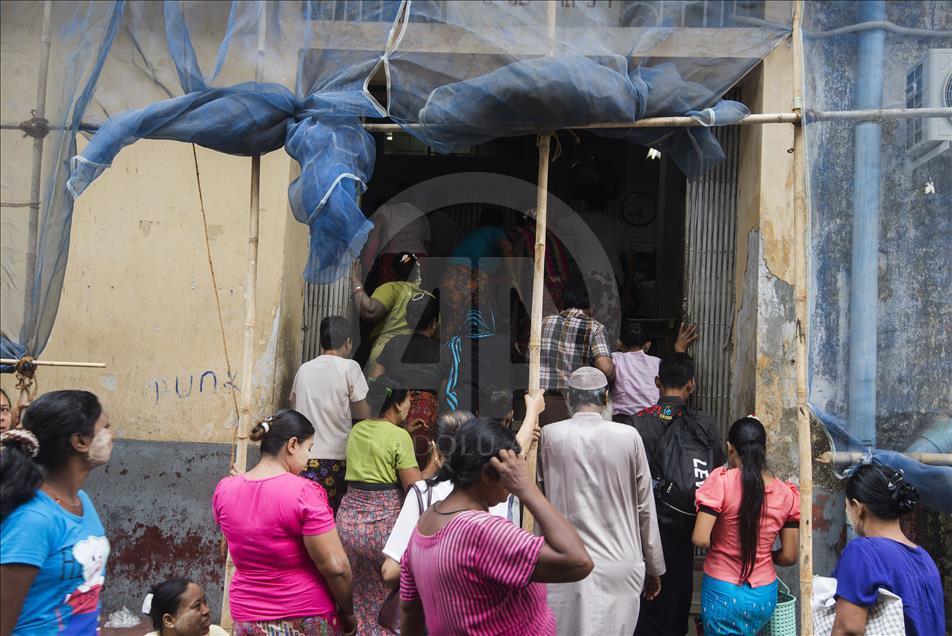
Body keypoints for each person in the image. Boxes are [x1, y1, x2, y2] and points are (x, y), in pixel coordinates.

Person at [399, 418, 593, 635]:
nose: (512, 482)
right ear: (488, 474)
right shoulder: (482, 531)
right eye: (512, 471)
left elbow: (409, 611)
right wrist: (527, 488)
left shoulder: (424, 524)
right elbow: (579, 561)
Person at [540, 367, 665, 635]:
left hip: (564, 564)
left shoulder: (550, 435)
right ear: (606, 397)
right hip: (619, 563)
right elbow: (645, 507)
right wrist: (654, 566)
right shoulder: (628, 436)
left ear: (569, 398)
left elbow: (537, 498)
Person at [213, 410, 355, 635]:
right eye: (308, 449)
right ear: (292, 444)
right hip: (304, 613)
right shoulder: (304, 494)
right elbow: (336, 568)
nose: (308, 458)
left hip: (247, 617)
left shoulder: (225, 489)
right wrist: (348, 611)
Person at [380, 396, 542, 586]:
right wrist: (532, 412)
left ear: (437, 452)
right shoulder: (495, 486)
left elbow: (390, 572)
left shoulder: (424, 492)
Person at [0, 390, 112, 634]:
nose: (110, 435)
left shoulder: (82, 501)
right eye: (105, 427)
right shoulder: (33, 520)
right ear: (80, 441)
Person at [629, 352, 725, 636]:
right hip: (685, 524)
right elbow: (717, 473)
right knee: (678, 594)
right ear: (691, 385)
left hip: (645, 524)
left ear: (657, 381)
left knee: (646, 597)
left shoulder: (637, 423)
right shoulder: (704, 424)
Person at [337, 378, 437, 635]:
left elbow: (376, 452)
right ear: (396, 404)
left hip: (348, 521)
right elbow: (415, 487)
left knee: (360, 589)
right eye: (409, 403)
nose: (410, 409)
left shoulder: (358, 430)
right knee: (387, 591)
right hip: (381, 525)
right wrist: (434, 463)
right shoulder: (399, 436)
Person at [692, 416, 800, 635]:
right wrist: (762, 554)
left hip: (723, 592)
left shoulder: (721, 482)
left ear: (730, 450)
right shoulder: (787, 494)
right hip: (763, 596)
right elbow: (789, 556)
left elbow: (700, 538)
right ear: (765, 449)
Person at [831, 464, 944, 636]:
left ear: (857, 507)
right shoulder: (925, 558)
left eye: (847, 506)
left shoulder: (863, 552)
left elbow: (848, 629)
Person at [292, 316, 371, 512]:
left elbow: (294, 406)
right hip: (337, 459)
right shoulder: (350, 368)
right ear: (348, 342)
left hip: (303, 459)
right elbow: (365, 414)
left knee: (307, 516)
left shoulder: (303, 370)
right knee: (330, 518)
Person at [370, 293, 442, 468]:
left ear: (408, 320)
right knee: (418, 465)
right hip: (425, 417)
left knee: (389, 461)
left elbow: (376, 379)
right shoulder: (442, 351)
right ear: (433, 323)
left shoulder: (393, 344)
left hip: (393, 410)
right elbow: (445, 391)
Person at [539, 281, 614, 425]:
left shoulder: (543, 323)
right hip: (575, 406)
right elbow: (605, 367)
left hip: (540, 404)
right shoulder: (594, 327)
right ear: (593, 304)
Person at [441, 206, 518, 338]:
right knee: (483, 320)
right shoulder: (494, 232)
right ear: (500, 224)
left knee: (453, 322)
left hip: (450, 277)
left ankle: (445, 354)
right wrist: (513, 277)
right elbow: (506, 246)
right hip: (467, 278)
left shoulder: (473, 236)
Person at [352, 252, 430, 371]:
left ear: (392, 272)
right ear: (416, 272)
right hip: (420, 354)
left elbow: (369, 311)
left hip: (385, 354)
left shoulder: (392, 288)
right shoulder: (429, 298)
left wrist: (356, 281)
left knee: (379, 389)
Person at [612, 321, 698, 419]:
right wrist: (680, 350)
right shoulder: (658, 363)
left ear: (619, 344)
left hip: (622, 421)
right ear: (647, 345)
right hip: (653, 419)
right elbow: (687, 385)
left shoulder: (615, 359)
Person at [364, 196, 430, 285]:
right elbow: (427, 244)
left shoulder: (386, 210)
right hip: (419, 257)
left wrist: (369, 259)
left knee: (387, 294)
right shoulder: (421, 214)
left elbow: (374, 234)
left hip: (392, 257)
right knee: (417, 294)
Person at [142, 577, 228, 636]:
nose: (206, 610)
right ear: (169, 620)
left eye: (205, 602)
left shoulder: (216, 633)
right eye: (197, 606)